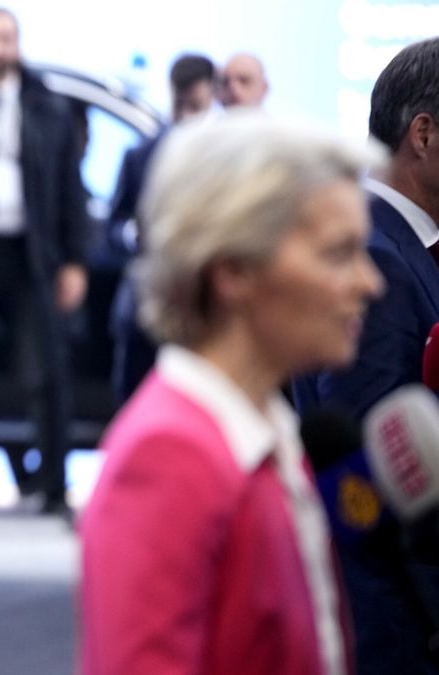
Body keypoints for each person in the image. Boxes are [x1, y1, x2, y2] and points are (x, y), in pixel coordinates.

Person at [81, 111, 384, 675]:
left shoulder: (264, 432)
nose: (371, 282)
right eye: (338, 254)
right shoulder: (168, 458)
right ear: (233, 272)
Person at [291, 37, 439, 675]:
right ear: (425, 134)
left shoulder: (405, 247)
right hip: (406, 621)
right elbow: (367, 474)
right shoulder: (377, 261)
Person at [0, 7, 89, 530]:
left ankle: (53, 490)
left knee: (45, 372)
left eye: (7, 38)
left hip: (29, 253)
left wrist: (75, 259)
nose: (0, 48)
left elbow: (72, 189)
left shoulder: (47, 105)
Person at [106, 53, 216, 404]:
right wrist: (134, 235)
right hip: (145, 314)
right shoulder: (139, 156)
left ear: (212, 98)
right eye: (179, 105)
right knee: (134, 407)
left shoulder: (232, 161)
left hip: (208, 311)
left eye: (195, 106)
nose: (185, 116)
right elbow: (114, 226)